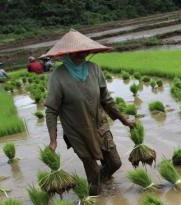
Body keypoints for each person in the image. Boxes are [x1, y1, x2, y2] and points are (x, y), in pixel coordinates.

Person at [43, 30, 134, 196]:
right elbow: (51, 111)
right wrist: (53, 141)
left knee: (115, 162)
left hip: (100, 125)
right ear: (67, 54)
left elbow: (106, 99)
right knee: (92, 173)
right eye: (78, 51)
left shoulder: (94, 69)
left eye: (85, 50)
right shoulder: (58, 77)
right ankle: (95, 198)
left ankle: (104, 180)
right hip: (77, 131)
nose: (83, 53)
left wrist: (124, 120)